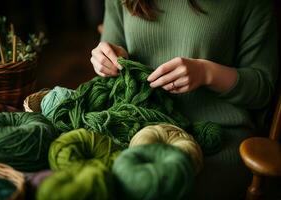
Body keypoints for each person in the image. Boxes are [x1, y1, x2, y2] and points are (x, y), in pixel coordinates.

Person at [90, 0, 279, 199]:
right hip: (132, 122)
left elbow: (262, 89)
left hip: (216, 135)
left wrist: (207, 73)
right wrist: (104, 61)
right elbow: (109, 60)